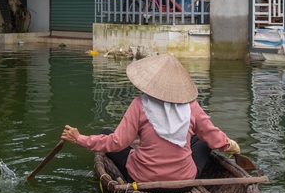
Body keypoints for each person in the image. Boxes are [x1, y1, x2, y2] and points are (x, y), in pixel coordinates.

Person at [61, 53, 240, 184]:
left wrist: (80, 139)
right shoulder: (191, 106)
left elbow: (117, 142)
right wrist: (229, 145)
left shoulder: (140, 105)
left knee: (107, 133)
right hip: (183, 183)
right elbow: (212, 136)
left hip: (143, 179)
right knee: (203, 141)